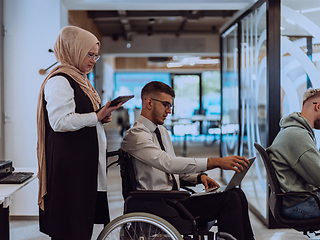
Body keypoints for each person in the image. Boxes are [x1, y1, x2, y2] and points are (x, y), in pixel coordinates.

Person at [122, 81, 255, 240]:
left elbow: (171, 169)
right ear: (149, 102)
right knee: (230, 199)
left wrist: (199, 177)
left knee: (236, 193)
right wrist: (215, 161)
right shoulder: (136, 136)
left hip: (175, 200)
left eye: (170, 106)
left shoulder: (162, 131)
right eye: (165, 105)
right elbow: (168, 164)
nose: (169, 111)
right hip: (159, 204)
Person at [36, 26, 122, 240]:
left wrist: (100, 117)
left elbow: (81, 116)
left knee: (80, 225)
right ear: (72, 50)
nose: (93, 60)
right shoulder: (60, 80)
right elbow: (59, 122)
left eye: (96, 55)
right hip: (69, 169)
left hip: (81, 166)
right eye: (89, 54)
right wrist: (96, 117)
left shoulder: (81, 79)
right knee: (70, 227)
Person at [268, 88, 320, 219]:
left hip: (294, 200)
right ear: (318, 107)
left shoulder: (292, 130)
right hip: (298, 204)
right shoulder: (298, 136)